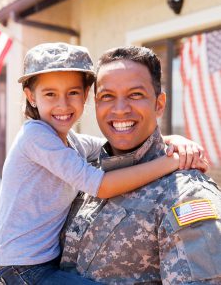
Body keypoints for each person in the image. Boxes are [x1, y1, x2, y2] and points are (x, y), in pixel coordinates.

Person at [0, 42, 206, 285]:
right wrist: (170, 162)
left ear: (86, 94)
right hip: (20, 269)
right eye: (50, 94)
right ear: (31, 97)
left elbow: (119, 138)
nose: (63, 104)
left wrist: (174, 139)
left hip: (40, 263)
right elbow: (100, 185)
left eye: (73, 93)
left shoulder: (71, 142)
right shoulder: (35, 136)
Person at [60, 46, 221, 284]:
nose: (120, 109)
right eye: (107, 96)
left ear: (159, 104)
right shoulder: (85, 173)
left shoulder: (185, 195)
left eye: (135, 95)